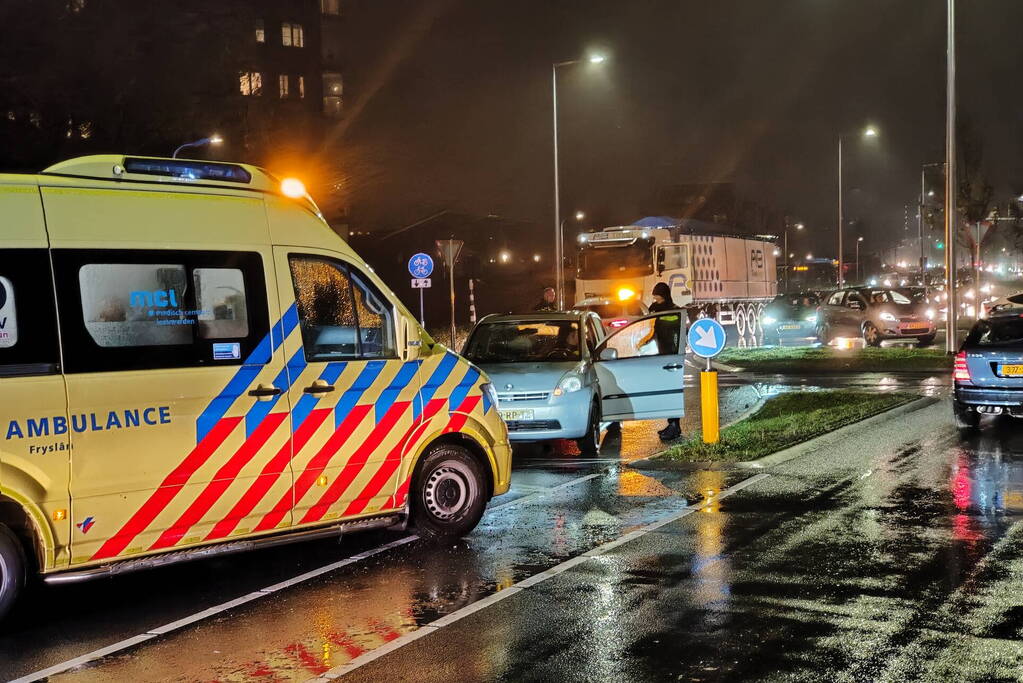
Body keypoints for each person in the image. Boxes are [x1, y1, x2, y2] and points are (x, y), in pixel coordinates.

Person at [648, 282, 683, 441]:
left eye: (658, 297)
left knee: (672, 392)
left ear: (664, 295)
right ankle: (672, 425)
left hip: (672, 355)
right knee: (667, 392)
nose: (656, 299)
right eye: (654, 297)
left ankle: (674, 426)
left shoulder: (673, 310)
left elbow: (678, 331)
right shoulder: (655, 309)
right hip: (662, 355)